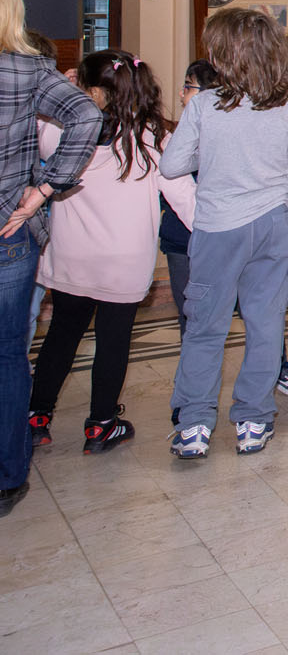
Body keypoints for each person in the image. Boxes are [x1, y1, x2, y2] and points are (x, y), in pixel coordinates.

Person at [22, 52, 191, 456]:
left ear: (92, 93)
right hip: (124, 262)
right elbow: (186, 197)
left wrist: (60, 92)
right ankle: (101, 425)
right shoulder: (154, 137)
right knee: (114, 342)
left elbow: (37, 123)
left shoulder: (64, 132)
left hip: (72, 259)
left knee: (62, 335)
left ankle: (37, 416)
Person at [163, 7, 288, 459]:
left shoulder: (205, 105)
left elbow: (171, 165)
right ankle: (253, 420)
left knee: (206, 328)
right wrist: (273, 198)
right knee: (266, 325)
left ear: (224, 54)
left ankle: (194, 426)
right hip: (272, 223)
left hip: (218, 227)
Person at [0, 0, 100, 514]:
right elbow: (87, 116)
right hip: (11, 228)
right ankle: (10, 475)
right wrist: (44, 190)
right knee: (8, 354)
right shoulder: (28, 69)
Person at [160, 60, 220, 330]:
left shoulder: (225, 134)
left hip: (223, 235)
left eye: (188, 86)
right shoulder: (174, 136)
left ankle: (277, 366)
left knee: (253, 309)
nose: (181, 94)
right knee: (190, 316)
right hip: (182, 240)